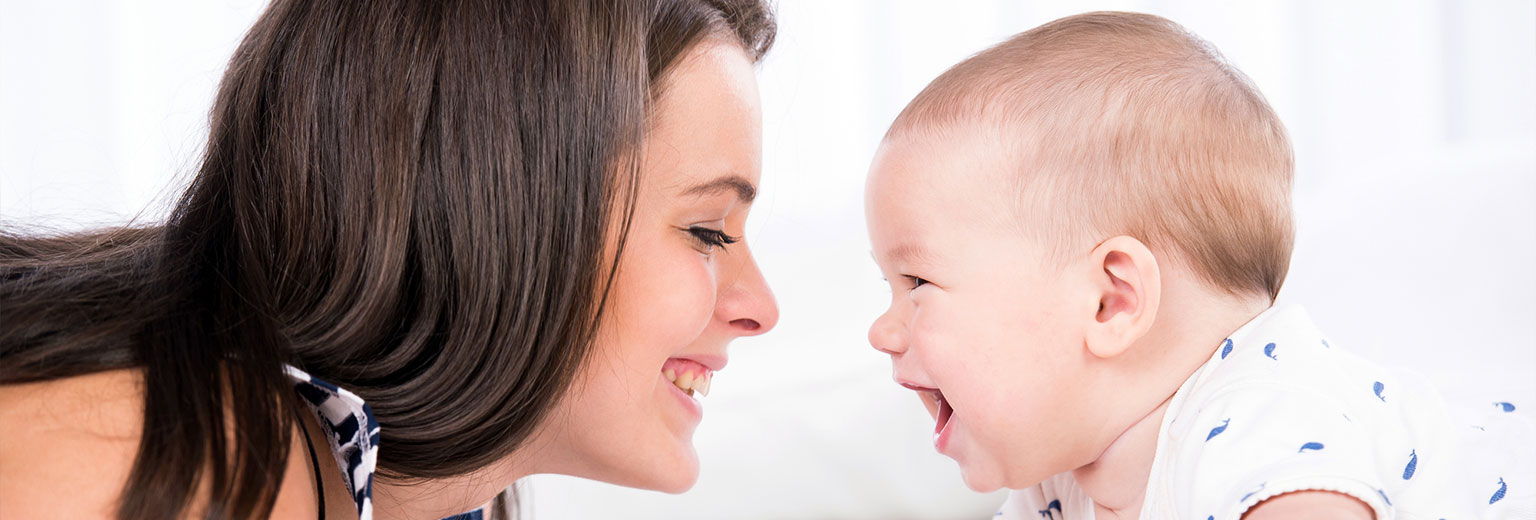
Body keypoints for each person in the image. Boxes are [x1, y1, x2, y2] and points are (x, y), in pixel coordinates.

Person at [0, 0, 778, 518]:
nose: (761, 307)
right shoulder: (203, 459)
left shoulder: (440, 491)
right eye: (709, 231)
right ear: (496, 212)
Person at [863, 11, 1531, 520]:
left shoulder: (1264, 420)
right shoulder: (1054, 476)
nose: (881, 332)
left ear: (1111, 301)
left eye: (917, 282)